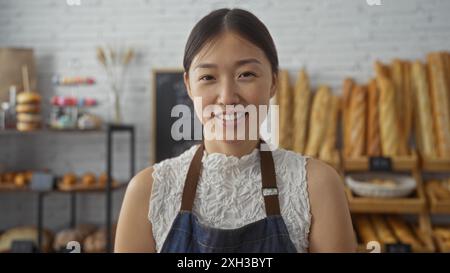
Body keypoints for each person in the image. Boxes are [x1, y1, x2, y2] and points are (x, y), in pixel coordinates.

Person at [115, 8, 356, 253]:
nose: (228, 97)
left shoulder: (317, 186)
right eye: (208, 77)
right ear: (188, 85)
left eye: (246, 74)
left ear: (273, 82)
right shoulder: (147, 192)